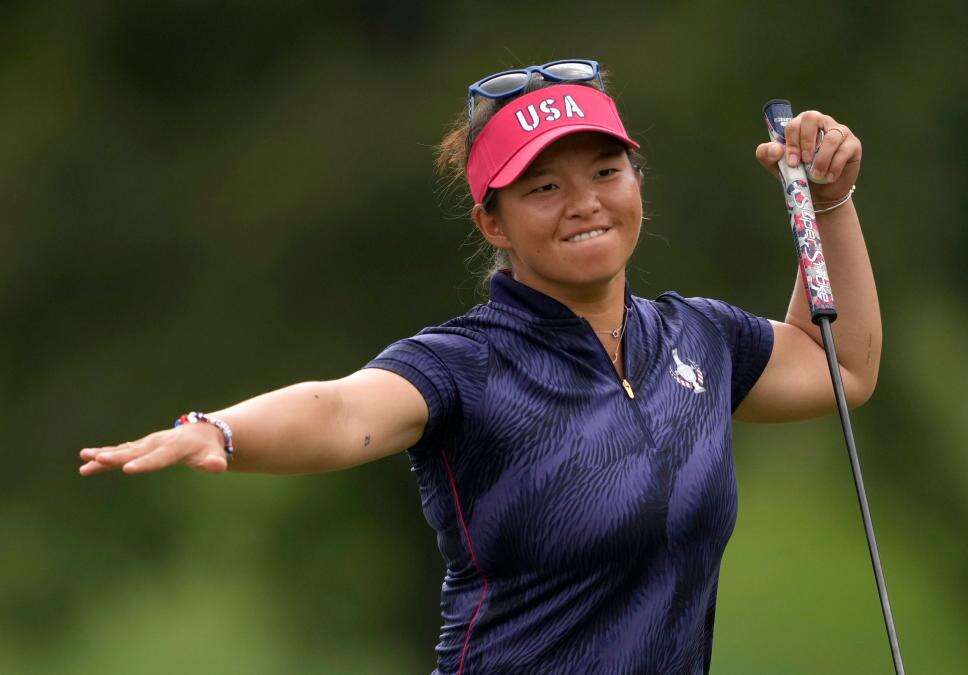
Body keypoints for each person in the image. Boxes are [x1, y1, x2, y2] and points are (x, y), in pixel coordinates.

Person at [79, 59, 880, 674]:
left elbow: (838, 364)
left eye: (606, 171)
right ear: (491, 220)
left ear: (638, 180)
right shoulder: (466, 363)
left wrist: (831, 202)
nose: (585, 201)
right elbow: (342, 409)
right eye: (543, 186)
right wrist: (221, 428)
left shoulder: (697, 338)